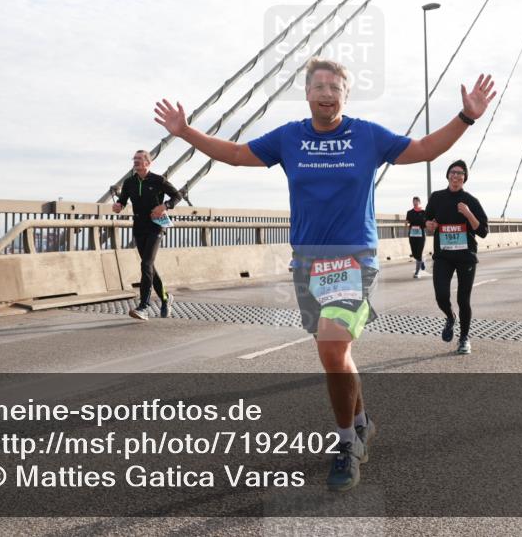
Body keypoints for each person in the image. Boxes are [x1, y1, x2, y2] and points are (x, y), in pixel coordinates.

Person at [154, 58, 495, 492]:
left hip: (354, 258)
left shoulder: (367, 135)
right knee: (336, 356)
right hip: (307, 261)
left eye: (335, 87)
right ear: (307, 92)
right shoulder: (289, 137)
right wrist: (185, 132)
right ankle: (362, 420)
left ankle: (348, 444)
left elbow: (425, 149)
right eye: (320, 86)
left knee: (334, 348)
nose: (327, 94)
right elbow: (238, 156)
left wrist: (466, 117)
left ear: (345, 96)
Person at [425, 159, 488, 355]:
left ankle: (464, 338)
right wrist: (430, 225)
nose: (456, 176)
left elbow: (483, 231)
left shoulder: (471, 201)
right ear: (448, 175)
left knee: (463, 300)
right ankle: (450, 317)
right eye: (453, 172)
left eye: (460, 173)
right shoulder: (436, 198)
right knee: (441, 295)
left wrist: (468, 214)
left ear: (465, 178)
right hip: (443, 255)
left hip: (465, 256)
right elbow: (428, 222)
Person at [113, 150, 181, 319]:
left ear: (148, 163)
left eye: (139, 159)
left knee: (146, 263)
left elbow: (178, 195)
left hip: (156, 226)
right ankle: (165, 299)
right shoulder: (129, 182)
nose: (135, 162)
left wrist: (164, 206)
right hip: (139, 227)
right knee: (148, 265)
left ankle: (143, 306)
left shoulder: (158, 180)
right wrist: (119, 206)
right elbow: (123, 199)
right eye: (134, 159)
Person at [405, 197, 427, 278]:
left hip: (421, 234)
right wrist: (406, 224)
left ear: (419, 202)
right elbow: (407, 222)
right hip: (412, 234)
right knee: (414, 253)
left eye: (416, 201)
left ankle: (417, 273)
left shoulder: (424, 212)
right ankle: (422, 260)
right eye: (413, 201)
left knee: (419, 252)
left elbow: (426, 223)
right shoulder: (409, 212)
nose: (415, 202)